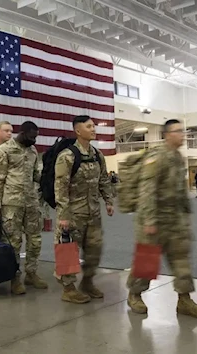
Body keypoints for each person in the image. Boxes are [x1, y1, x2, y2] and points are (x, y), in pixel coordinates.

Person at [126, 119, 197, 318]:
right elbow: (147, 189)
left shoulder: (178, 157)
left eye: (183, 131)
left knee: (181, 259)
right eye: (178, 131)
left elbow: (179, 191)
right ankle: (134, 294)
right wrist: (149, 220)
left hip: (175, 219)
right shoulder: (157, 156)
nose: (182, 134)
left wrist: (185, 215)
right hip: (154, 217)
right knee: (147, 260)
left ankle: (184, 300)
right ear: (167, 135)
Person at [54, 115, 114, 304]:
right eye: (89, 126)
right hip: (73, 214)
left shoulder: (97, 154)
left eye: (94, 126)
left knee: (94, 250)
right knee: (68, 251)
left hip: (93, 213)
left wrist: (108, 200)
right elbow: (60, 187)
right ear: (78, 131)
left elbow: (103, 179)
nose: (93, 129)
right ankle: (68, 288)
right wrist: (63, 215)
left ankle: (87, 282)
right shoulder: (67, 156)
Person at [0, 121, 47, 295]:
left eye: (36, 137)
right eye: (31, 136)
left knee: (35, 240)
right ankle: (14, 278)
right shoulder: (4, 150)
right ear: (22, 133)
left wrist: (49, 176)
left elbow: (36, 175)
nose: (34, 140)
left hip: (31, 201)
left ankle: (31, 273)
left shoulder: (32, 151)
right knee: (13, 243)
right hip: (11, 204)